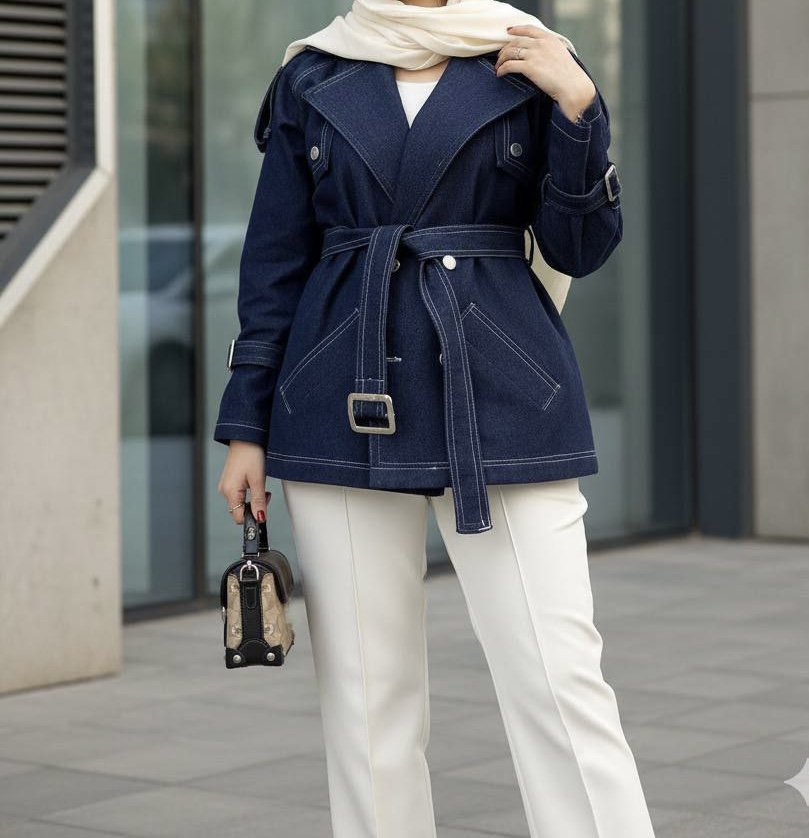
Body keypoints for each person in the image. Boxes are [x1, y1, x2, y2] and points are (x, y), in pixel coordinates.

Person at [215, 1, 653, 836]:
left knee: (560, 681)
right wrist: (247, 426)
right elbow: (273, 262)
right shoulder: (313, 73)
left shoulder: (529, 57)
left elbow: (580, 248)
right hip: (339, 392)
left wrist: (578, 107)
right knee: (365, 703)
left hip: (504, 390)